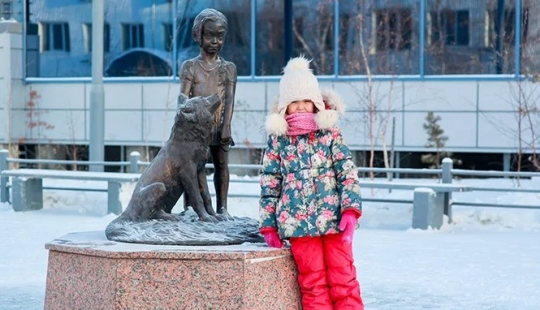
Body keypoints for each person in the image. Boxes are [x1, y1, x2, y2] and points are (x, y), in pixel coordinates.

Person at [259, 56, 364, 310]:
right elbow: (270, 183)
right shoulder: (279, 140)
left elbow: (346, 171)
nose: (302, 107)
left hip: (334, 220)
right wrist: (269, 225)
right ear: (285, 106)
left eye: (307, 100)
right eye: (294, 102)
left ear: (316, 102)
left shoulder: (329, 132)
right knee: (313, 284)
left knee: (344, 280)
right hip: (298, 226)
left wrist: (350, 210)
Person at [179, 8, 237, 219]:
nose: (215, 41)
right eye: (209, 35)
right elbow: (183, 98)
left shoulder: (228, 68)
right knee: (193, 167)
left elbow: (230, 99)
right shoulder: (190, 67)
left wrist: (226, 126)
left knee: (221, 165)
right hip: (195, 130)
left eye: (219, 36)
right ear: (198, 35)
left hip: (219, 125)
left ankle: (222, 207)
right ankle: (191, 207)